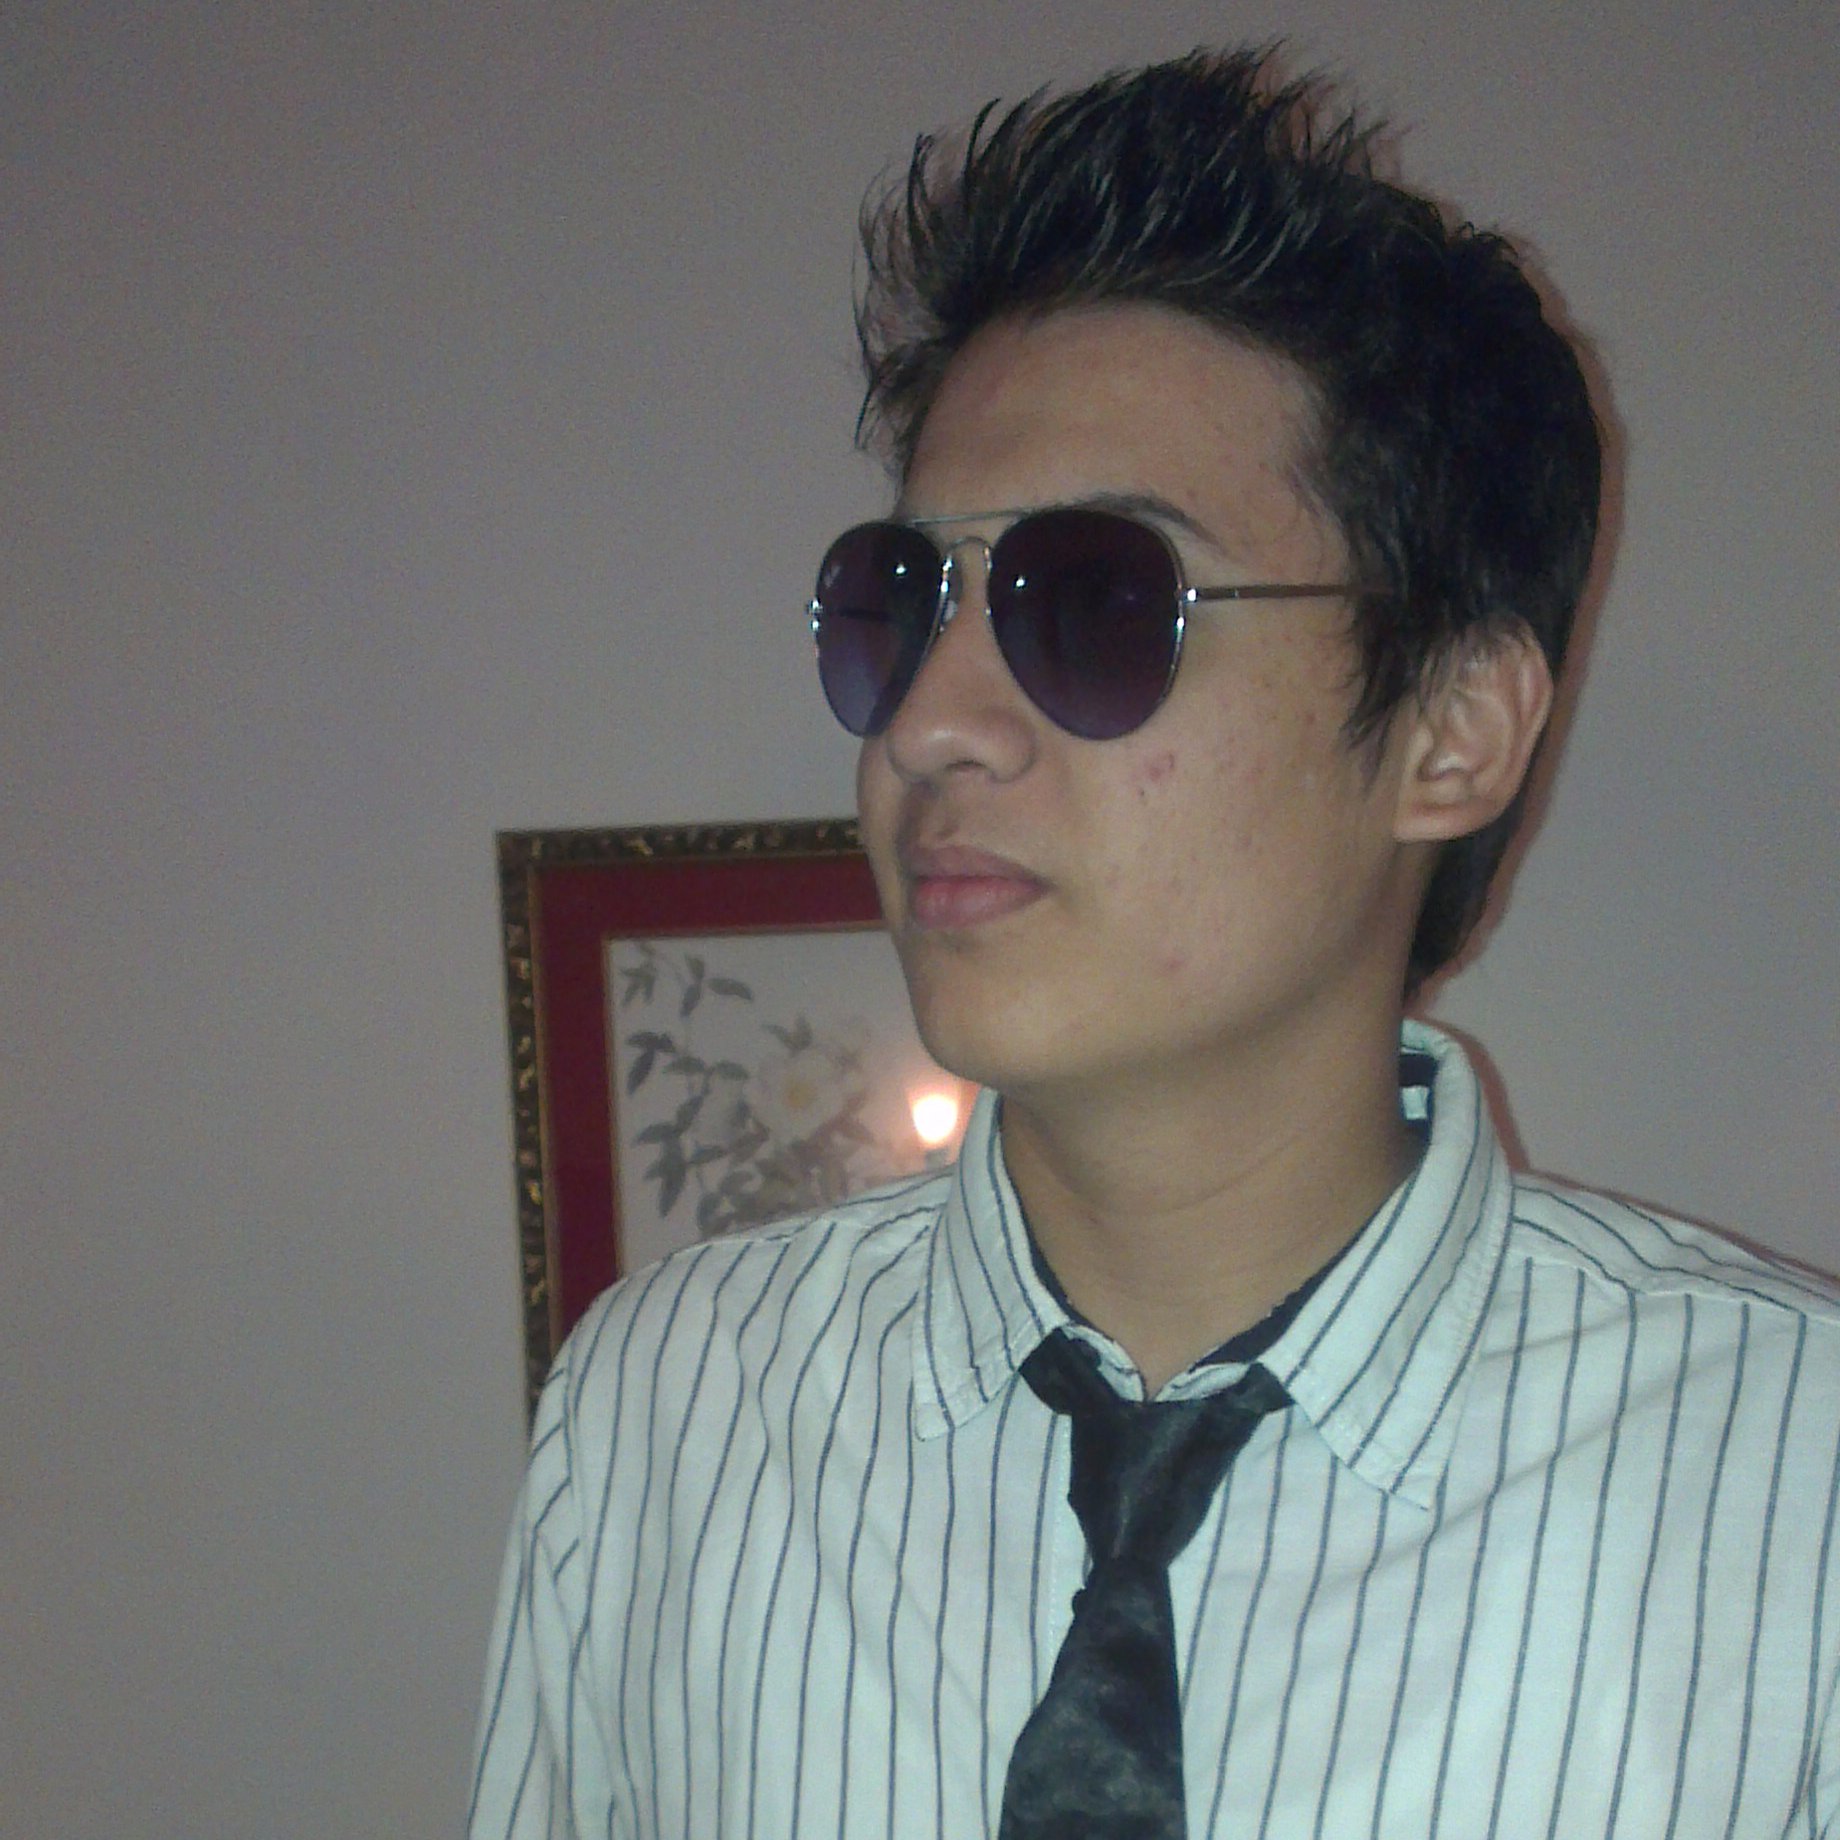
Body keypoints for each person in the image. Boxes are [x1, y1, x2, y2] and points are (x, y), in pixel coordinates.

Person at [468, 48, 1839, 1838]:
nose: (929, 724)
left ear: (1452, 730)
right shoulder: (669, 1418)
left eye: (1099, 602)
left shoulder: (1797, 1494)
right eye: (900, 604)